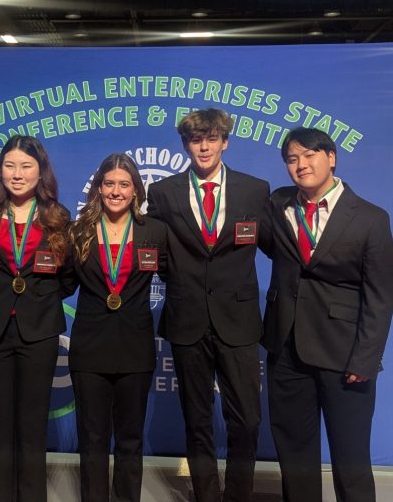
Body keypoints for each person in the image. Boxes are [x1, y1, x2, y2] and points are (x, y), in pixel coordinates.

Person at [263, 127, 393, 502]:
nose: (300, 165)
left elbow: (380, 296)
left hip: (344, 355)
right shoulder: (278, 204)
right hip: (286, 350)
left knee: (351, 462)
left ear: (331, 157)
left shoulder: (370, 218)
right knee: (295, 461)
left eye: (309, 156)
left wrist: (365, 360)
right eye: (292, 159)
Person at [146, 108, 270, 502]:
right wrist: (182, 282)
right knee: (196, 418)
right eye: (196, 140)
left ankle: (237, 494)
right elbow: (158, 252)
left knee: (247, 419)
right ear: (185, 144)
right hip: (187, 318)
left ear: (225, 142)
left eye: (212, 138)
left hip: (239, 318)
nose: (204, 146)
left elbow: (272, 244)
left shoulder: (256, 189)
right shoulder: (162, 192)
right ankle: (205, 495)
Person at [0, 135, 71, 502]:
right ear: (0, 170)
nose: (17, 174)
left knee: (32, 426)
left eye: (26, 166)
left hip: (39, 330)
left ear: (40, 171)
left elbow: (68, 275)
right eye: (10, 165)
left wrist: (41, 298)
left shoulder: (57, 215)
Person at [68, 153, 168, 502]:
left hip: (135, 348)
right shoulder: (78, 230)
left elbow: (177, 278)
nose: (115, 191)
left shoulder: (154, 231)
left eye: (124, 184)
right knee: (92, 439)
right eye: (109, 184)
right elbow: (64, 282)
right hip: (89, 348)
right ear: (98, 189)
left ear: (136, 190)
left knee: (130, 438)